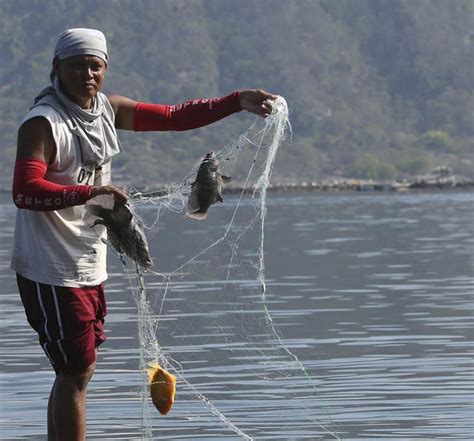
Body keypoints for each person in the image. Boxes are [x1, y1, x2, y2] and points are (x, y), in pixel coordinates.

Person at [11, 28, 276, 441]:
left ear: (105, 70)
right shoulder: (42, 124)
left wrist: (235, 101)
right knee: (74, 370)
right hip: (49, 266)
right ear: (56, 68)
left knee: (80, 369)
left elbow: (174, 117)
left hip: (89, 262)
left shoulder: (108, 110)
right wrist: (91, 191)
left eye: (95, 65)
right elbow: (25, 191)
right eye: (77, 65)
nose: (87, 73)